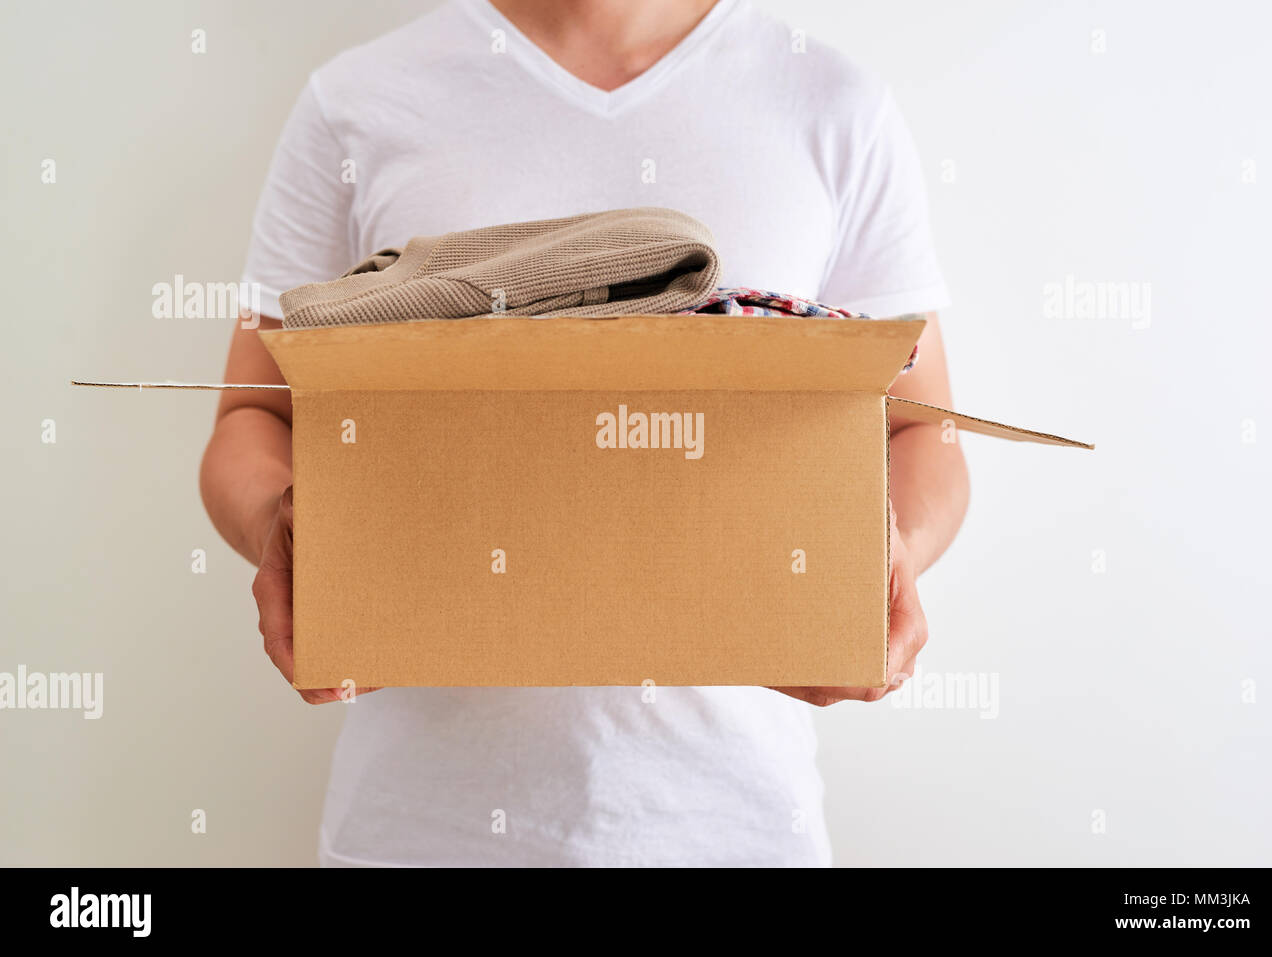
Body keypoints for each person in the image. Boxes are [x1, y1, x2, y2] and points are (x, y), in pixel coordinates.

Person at [200, 0, 969, 867]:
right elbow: (252, 416)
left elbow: (924, 432)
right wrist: (281, 529)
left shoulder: (830, 102)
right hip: (422, 834)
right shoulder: (360, 101)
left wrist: (885, 558)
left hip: (735, 830)